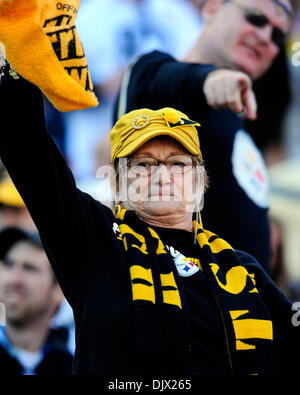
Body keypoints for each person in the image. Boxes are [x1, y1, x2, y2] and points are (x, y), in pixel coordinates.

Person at [0, 69, 299, 376]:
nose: (161, 175)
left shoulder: (241, 269)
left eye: (178, 164)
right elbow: (25, 143)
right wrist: (17, 60)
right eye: (143, 164)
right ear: (116, 183)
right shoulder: (94, 237)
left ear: (200, 182)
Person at [114, 0, 298, 273]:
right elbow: (158, 78)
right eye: (256, 18)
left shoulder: (238, 121)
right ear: (212, 8)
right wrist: (210, 79)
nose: (264, 37)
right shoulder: (153, 78)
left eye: (278, 35)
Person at [0, 227, 73, 375]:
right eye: (8, 264)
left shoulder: (76, 363)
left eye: (29, 269)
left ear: (59, 290)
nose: (14, 279)